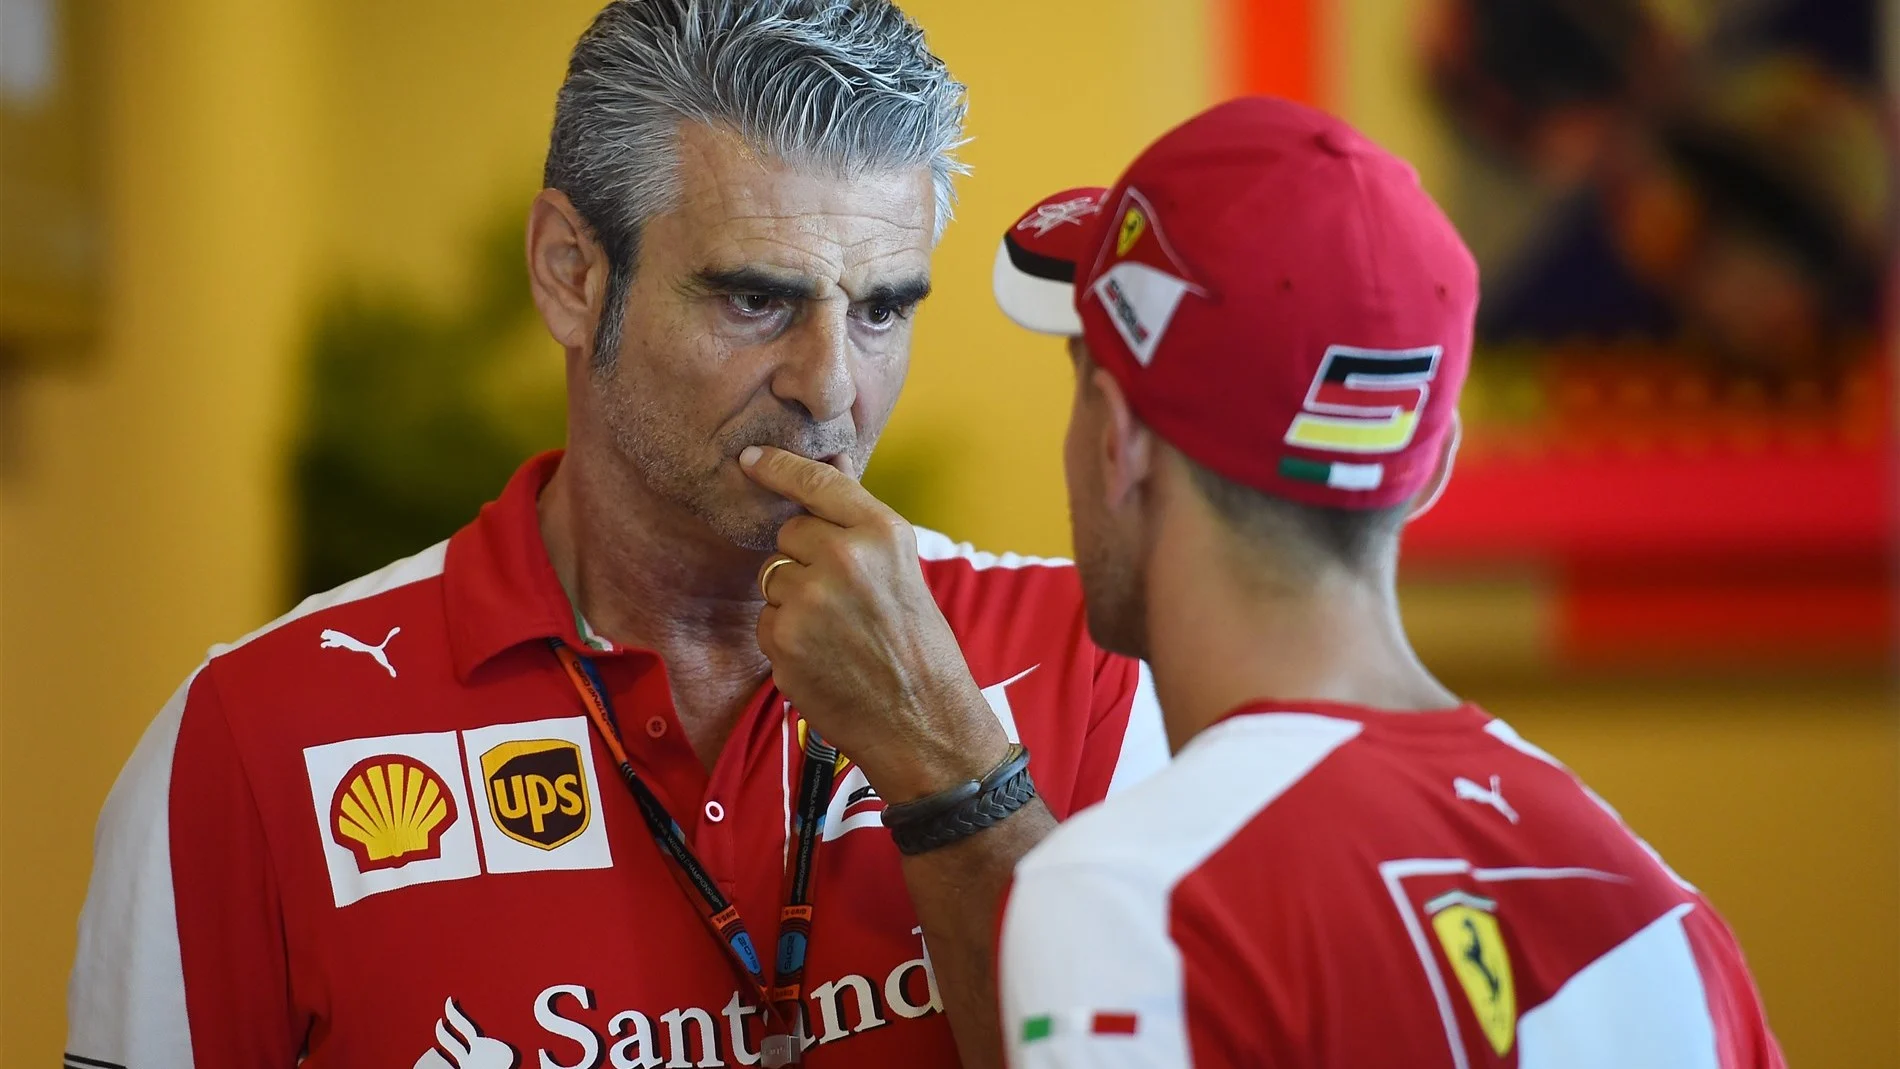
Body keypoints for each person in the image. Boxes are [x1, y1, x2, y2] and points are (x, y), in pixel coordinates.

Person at [64, 4, 1165, 1068]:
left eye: (882, 309)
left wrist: (952, 766)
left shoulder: (1095, 669)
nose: (831, 386)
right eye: (755, 301)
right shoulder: (253, 740)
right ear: (571, 275)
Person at [989, 97, 1785, 1068]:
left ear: (1118, 441)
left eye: (1080, 378)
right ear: (1432, 466)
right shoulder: (1667, 923)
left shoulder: (1130, 900)